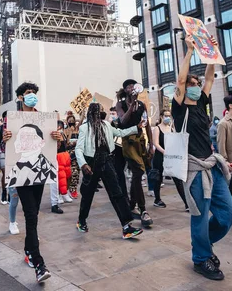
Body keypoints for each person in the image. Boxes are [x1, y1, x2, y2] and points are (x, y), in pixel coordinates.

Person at [172, 34, 232, 281]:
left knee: (227, 212)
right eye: (192, 84)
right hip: (194, 169)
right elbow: (179, 79)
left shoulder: (201, 104)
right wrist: (189, 51)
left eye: (197, 83)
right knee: (200, 216)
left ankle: (203, 246)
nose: (197, 86)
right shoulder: (178, 108)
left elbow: (210, 77)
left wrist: (211, 56)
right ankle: (201, 258)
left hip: (212, 166)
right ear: (185, 88)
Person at [2, 81, 63, 283]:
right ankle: (38, 263)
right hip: (20, 174)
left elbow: (55, 141)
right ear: (20, 97)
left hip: (39, 174)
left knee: (33, 213)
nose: (32, 96)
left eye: (34, 93)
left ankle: (28, 250)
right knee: (30, 214)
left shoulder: (43, 118)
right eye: (28, 93)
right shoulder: (12, 120)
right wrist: (6, 137)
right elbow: (7, 146)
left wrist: (57, 136)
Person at [74, 103, 144, 238]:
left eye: (102, 110)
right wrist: (83, 164)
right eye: (99, 110)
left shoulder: (107, 125)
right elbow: (78, 148)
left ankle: (126, 227)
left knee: (117, 193)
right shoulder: (84, 128)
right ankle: (81, 221)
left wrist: (136, 127)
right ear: (92, 112)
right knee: (88, 195)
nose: (102, 112)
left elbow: (120, 133)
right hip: (91, 163)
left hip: (107, 161)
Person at [116, 79, 155, 228]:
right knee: (138, 171)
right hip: (128, 141)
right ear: (125, 90)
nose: (132, 88)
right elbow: (123, 121)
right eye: (129, 86)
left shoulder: (142, 105)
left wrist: (151, 144)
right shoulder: (121, 104)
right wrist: (131, 104)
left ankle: (132, 203)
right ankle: (143, 210)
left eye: (134, 86)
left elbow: (147, 125)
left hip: (140, 141)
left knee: (138, 175)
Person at [151, 110, 188, 209]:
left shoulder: (171, 128)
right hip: (160, 157)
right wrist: (164, 152)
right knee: (158, 179)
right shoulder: (157, 128)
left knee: (177, 179)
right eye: (165, 115)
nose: (167, 117)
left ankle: (186, 203)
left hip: (171, 158)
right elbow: (155, 143)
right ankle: (157, 199)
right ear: (161, 116)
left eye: (169, 116)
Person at [51, 120, 73, 214]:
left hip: (65, 156)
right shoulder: (53, 135)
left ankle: (65, 193)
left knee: (68, 176)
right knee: (60, 178)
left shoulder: (62, 135)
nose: (60, 128)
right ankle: (58, 196)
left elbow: (65, 145)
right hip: (58, 157)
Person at [65, 113, 81, 199]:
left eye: (73, 121)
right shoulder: (65, 131)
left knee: (77, 172)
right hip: (69, 155)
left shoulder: (78, 130)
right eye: (70, 121)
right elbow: (65, 144)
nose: (71, 122)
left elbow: (81, 120)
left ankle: (73, 189)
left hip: (78, 154)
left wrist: (82, 114)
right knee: (71, 173)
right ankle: (69, 190)